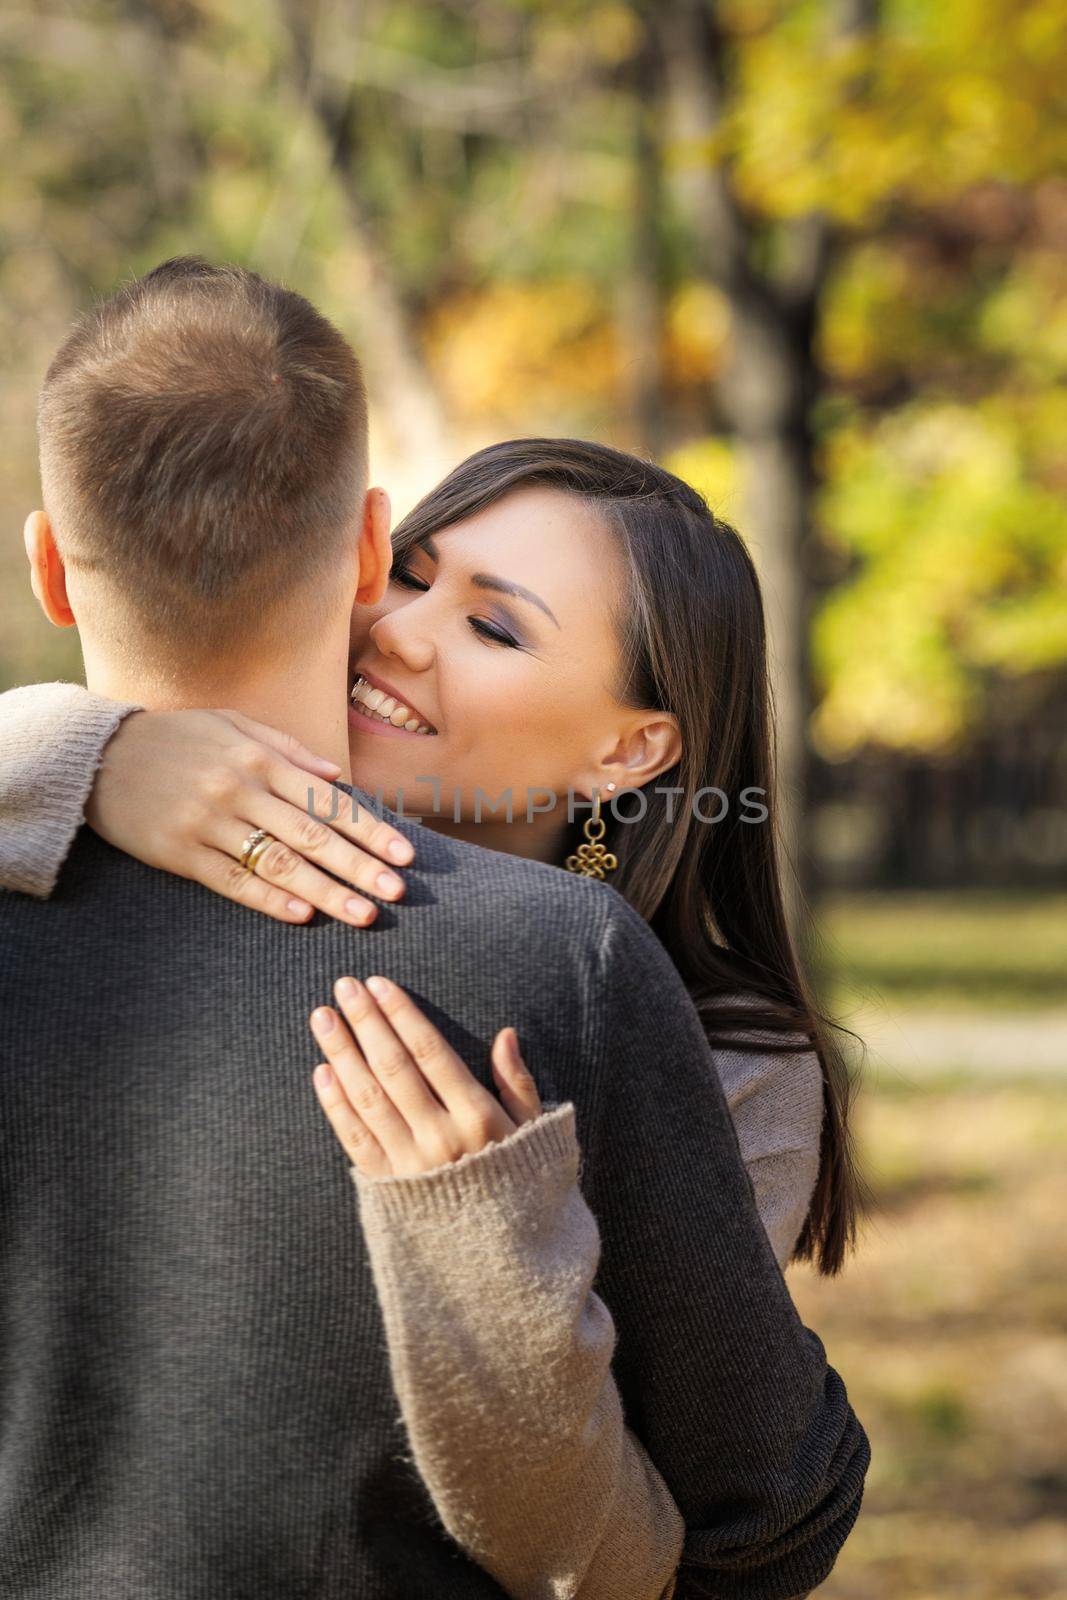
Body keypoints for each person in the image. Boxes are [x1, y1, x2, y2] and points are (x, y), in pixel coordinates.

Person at [0, 257, 869, 1599]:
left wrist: (487, 1248)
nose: (399, 632)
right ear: (358, 550)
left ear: (630, 751)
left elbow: (681, 1545)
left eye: (493, 629)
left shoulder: (710, 1046)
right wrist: (81, 749)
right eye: (410, 575)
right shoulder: (105, 815)